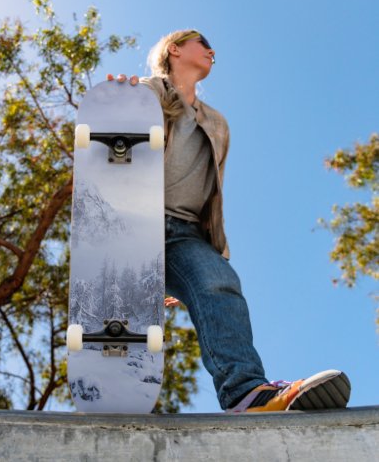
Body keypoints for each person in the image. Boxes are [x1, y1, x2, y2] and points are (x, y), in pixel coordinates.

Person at [107, 29, 351, 412]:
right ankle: (113, 391)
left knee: (219, 282)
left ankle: (246, 394)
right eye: (202, 44)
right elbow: (110, 143)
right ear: (174, 49)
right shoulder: (145, 93)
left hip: (185, 233)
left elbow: (210, 192)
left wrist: (196, 261)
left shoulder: (217, 123)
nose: (211, 51)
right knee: (124, 317)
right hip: (136, 221)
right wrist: (117, 102)